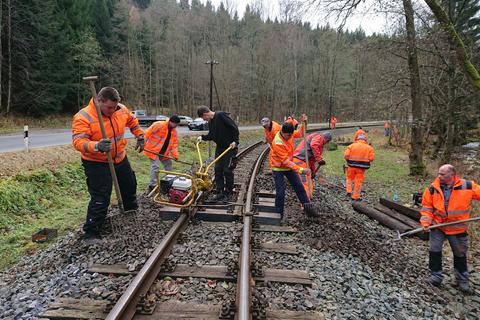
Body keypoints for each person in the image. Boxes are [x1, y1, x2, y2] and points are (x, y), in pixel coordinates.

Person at [72, 87, 144, 243]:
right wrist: (96, 146)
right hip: (96, 162)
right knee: (101, 196)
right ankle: (91, 232)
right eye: (109, 107)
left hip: (119, 157)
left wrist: (140, 135)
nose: (112, 110)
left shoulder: (121, 109)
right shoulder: (83, 117)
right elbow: (78, 142)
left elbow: (133, 122)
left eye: (115, 107)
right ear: (99, 101)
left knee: (129, 185)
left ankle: (130, 212)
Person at [420, 164, 480, 293]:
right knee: (434, 250)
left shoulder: (467, 186)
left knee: (460, 254)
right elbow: (427, 209)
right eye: (439, 173)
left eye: (442, 174)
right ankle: (436, 276)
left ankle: (462, 280)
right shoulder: (432, 189)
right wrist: (426, 223)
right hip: (438, 226)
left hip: (457, 228)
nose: (439, 176)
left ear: (452, 175)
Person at [270, 122, 317, 218]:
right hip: (278, 167)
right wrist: (301, 170)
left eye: (290, 135)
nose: (289, 137)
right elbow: (285, 161)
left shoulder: (290, 134)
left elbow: (300, 133)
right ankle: (278, 214)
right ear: (282, 132)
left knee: (299, 187)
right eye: (287, 135)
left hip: (289, 166)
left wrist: (304, 123)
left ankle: (308, 208)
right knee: (280, 192)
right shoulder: (278, 142)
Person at [197, 106, 239, 202]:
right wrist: (202, 137)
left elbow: (234, 128)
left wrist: (235, 141)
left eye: (204, 118)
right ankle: (220, 191)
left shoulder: (221, 115)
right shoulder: (211, 122)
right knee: (218, 169)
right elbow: (212, 135)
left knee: (227, 170)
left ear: (205, 114)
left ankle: (228, 192)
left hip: (230, 147)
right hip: (220, 148)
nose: (204, 120)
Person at [143, 115, 180, 192]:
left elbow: (174, 145)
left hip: (164, 152)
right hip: (153, 150)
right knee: (155, 166)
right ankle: (152, 185)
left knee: (168, 163)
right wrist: (142, 142)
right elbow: (147, 133)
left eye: (177, 125)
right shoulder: (159, 125)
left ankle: (170, 181)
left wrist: (176, 155)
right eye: (175, 125)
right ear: (170, 121)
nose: (175, 127)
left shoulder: (174, 131)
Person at [293, 132, 332, 198]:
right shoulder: (319, 137)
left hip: (303, 161)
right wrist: (319, 159)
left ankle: (308, 198)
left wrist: (313, 172)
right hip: (300, 160)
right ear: (327, 140)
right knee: (306, 183)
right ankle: (305, 203)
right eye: (327, 142)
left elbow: (312, 161)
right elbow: (314, 145)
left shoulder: (319, 142)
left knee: (309, 182)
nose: (326, 143)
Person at [343, 134, 374, 201]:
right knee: (358, 181)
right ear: (365, 140)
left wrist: (348, 160)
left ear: (357, 139)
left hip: (351, 166)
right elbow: (371, 158)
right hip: (361, 168)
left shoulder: (351, 146)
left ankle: (349, 191)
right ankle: (355, 196)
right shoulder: (369, 148)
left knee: (349, 178)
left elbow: (346, 155)